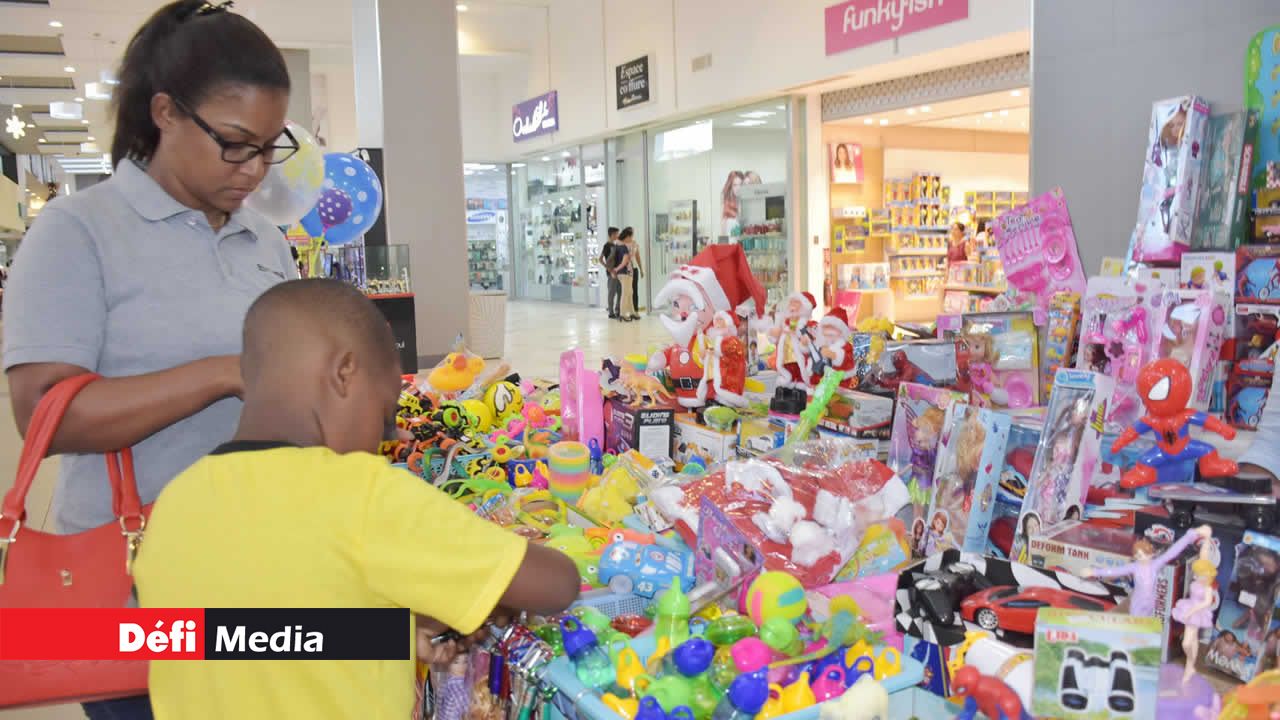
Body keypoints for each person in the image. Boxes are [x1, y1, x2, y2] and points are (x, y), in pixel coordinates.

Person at [3, 4, 300, 716]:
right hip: (135, 581)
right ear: (165, 113)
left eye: (270, 146)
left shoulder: (268, 243)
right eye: (235, 143)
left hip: (262, 571)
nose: (255, 169)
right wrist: (226, 372)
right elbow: (45, 411)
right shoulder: (80, 233)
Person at [134, 279, 580, 720]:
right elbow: (556, 584)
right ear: (344, 373)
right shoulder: (363, 493)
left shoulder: (177, 500)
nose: (387, 440)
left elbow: (252, 637)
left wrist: (396, 634)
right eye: (386, 418)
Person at [615, 227, 638, 321]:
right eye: (631, 237)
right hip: (625, 272)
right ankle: (623, 314)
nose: (631, 239)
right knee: (626, 293)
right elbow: (625, 261)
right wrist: (617, 269)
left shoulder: (617, 244)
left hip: (622, 273)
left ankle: (632, 312)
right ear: (627, 236)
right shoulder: (623, 247)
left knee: (629, 292)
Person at [600, 226, 621, 319]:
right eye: (617, 234)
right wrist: (609, 269)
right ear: (612, 234)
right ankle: (611, 312)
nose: (618, 235)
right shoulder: (607, 246)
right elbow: (600, 259)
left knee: (620, 292)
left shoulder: (615, 245)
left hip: (618, 272)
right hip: (612, 273)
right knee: (612, 293)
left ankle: (617, 310)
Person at [623, 226, 643, 318]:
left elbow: (638, 257)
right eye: (632, 234)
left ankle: (635, 311)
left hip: (634, 269)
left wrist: (641, 269)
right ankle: (626, 311)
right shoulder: (621, 244)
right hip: (625, 270)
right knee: (626, 291)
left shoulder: (634, 244)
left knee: (635, 290)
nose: (633, 236)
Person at [721, 170, 744, 236]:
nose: (738, 188)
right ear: (730, 186)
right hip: (731, 244)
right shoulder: (726, 203)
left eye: (740, 185)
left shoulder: (745, 203)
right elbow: (723, 229)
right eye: (735, 185)